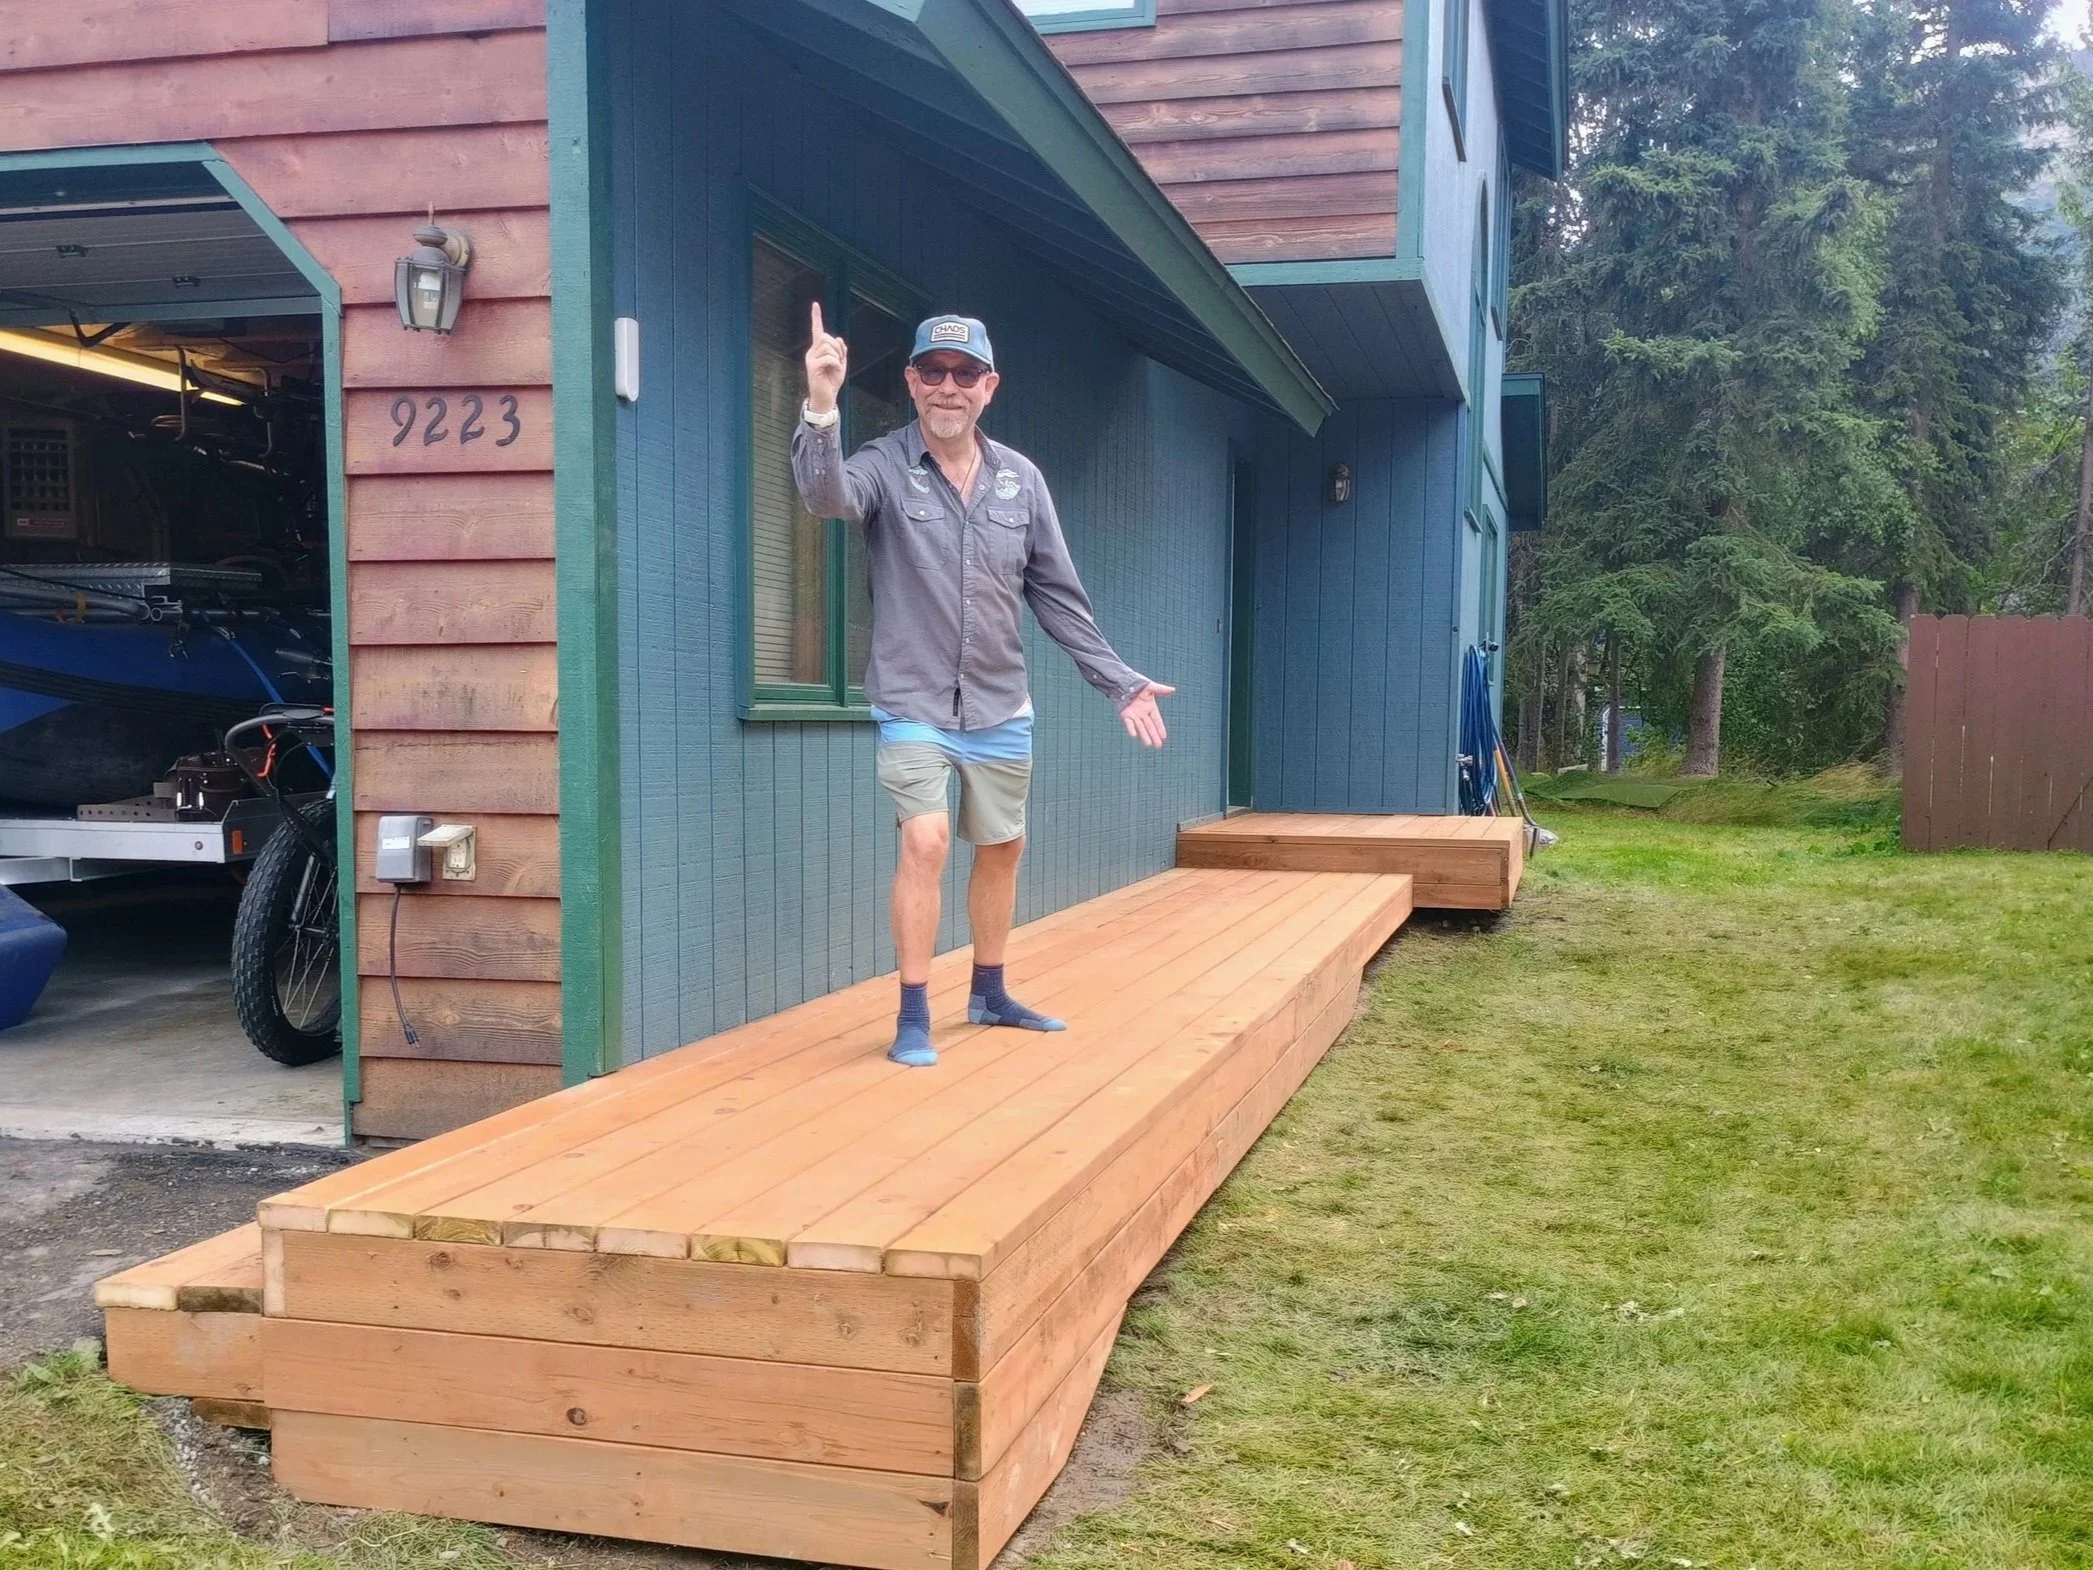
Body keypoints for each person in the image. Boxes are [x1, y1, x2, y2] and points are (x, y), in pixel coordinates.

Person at [792, 306, 1172, 1067]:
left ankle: (989, 993)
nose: (947, 387)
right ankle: (911, 1014)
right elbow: (826, 496)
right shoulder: (881, 465)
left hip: (999, 703)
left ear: (988, 386)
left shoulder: (1019, 482)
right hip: (913, 701)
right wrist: (822, 403)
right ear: (910, 381)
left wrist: (1118, 682)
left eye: (964, 374)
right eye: (931, 372)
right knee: (927, 840)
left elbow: (1058, 597)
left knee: (1003, 846)